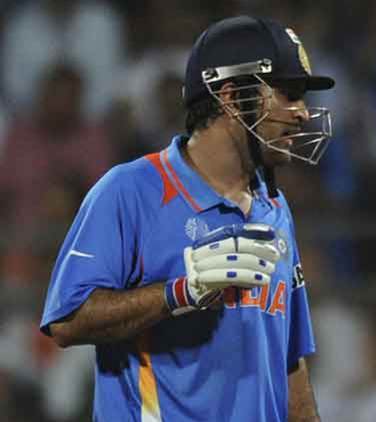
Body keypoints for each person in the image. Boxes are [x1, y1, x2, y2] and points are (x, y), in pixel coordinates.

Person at [39, 15, 334, 421]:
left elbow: (290, 365)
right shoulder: (130, 191)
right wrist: (179, 293)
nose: (302, 112)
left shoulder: (275, 207)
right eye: (288, 93)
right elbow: (67, 321)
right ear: (231, 97)